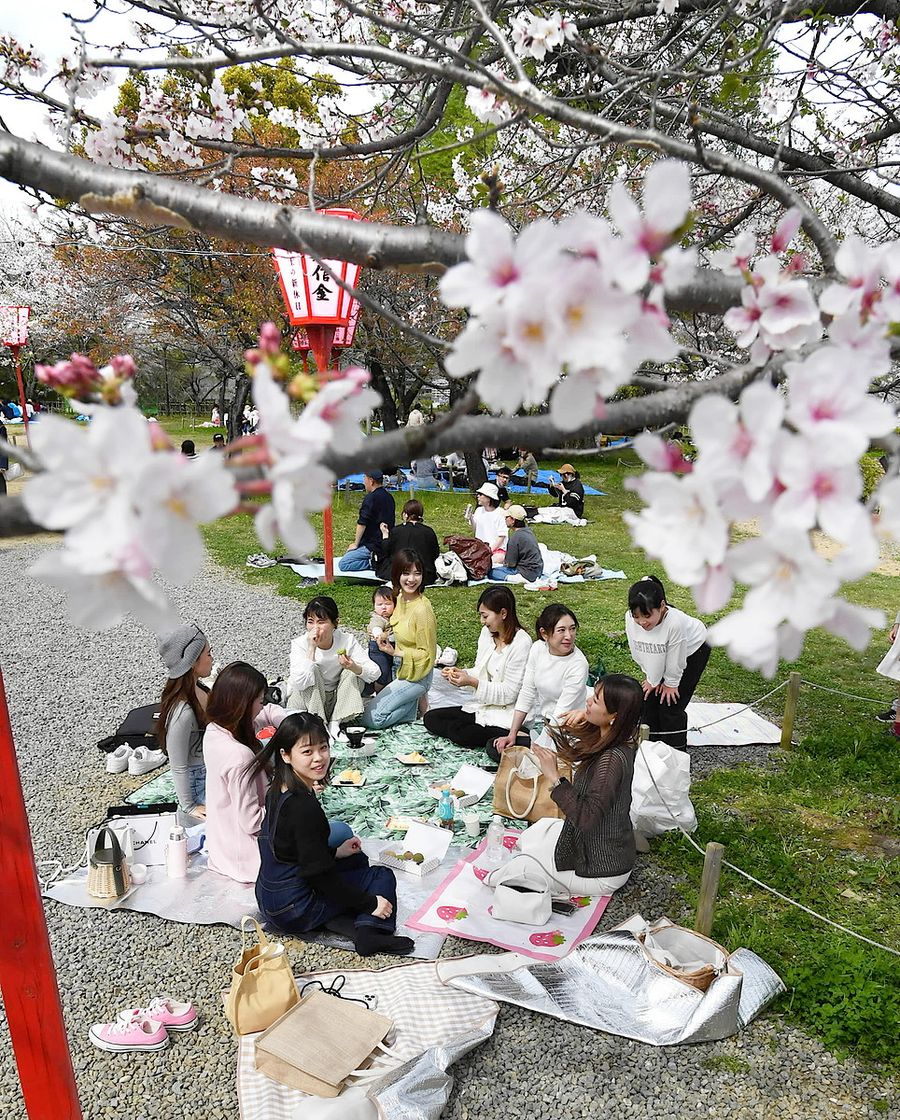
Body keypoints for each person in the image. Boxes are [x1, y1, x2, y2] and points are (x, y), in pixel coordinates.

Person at [252, 712, 414, 956]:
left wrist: (335, 852)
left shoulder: (277, 788)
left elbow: (290, 848)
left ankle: (335, 920)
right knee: (381, 875)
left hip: (268, 899)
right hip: (294, 908)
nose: (319, 758)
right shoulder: (304, 806)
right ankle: (371, 934)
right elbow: (320, 876)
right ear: (286, 755)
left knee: (355, 859)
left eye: (323, 748)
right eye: (307, 752)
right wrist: (371, 903)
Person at [521, 674, 644, 896]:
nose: (588, 701)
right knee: (536, 833)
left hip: (602, 870)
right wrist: (587, 716)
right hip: (604, 848)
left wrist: (554, 777)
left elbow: (586, 818)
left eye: (596, 700)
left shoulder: (611, 760)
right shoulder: (616, 736)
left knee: (519, 868)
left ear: (614, 717)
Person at [203, 662, 287, 883]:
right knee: (333, 836)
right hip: (247, 858)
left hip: (220, 845)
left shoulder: (214, 730)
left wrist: (287, 723)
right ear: (243, 704)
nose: (262, 706)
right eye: (259, 701)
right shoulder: (239, 755)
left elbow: (267, 713)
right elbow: (252, 822)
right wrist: (286, 794)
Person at [424, 586, 533, 750]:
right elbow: (479, 670)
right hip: (483, 706)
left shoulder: (521, 643)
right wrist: (461, 674)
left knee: (460, 732)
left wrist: (473, 682)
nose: (482, 621)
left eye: (485, 616)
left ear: (503, 614)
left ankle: (517, 733)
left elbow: (510, 693)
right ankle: (487, 732)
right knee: (431, 718)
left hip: (506, 711)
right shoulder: (486, 634)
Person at [491, 603, 589, 760]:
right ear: (544, 634)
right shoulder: (538, 649)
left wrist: (538, 750)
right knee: (496, 746)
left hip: (569, 730)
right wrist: (512, 734)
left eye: (572, 629)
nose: (568, 636)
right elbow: (527, 691)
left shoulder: (578, 664)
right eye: (561, 630)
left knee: (535, 761)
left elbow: (561, 714)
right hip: (547, 724)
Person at [625, 575, 710, 751]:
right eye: (636, 616)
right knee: (649, 699)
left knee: (670, 704)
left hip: (693, 650)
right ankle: (650, 747)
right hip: (666, 649)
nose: (641, 622)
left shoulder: (675, 623)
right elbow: (640, 649)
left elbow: (676, 659)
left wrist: (671, 683)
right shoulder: (630, 619)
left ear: (662, 606)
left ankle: (675, 752)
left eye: (647, 615)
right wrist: (652, 678)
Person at [360, 550, 436, 729]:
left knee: (372, 719)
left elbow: (427, 655)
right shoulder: (401, 598)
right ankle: (411, 709)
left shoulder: (422, 610)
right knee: (370, 712)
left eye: (417, 573)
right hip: (401, 670)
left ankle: (413, 707)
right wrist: (383, 635)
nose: (412, 579)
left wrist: (396, 652)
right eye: (406, 573)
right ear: (397, 575)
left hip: (418, 676)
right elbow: (393, 623)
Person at [287, 595, 379, 729]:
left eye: (321, 622)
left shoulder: (346, 640)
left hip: (336, 702)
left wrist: (354, 667)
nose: (315, 628)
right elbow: (300, 683)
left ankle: (335, 723)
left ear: (335, 623)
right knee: (312, 670)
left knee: (353, 673)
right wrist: (311, 649)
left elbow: (375, 672)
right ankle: (319, 725)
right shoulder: (300, 644)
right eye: (311, 621)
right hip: (307, 704)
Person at [155, 623, 213, 825]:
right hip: (199, 782)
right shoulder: (183, 712)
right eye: (208, 653)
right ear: (193, 661)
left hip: (212, 769)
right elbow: (178, 764)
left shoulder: (201, 690)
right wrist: (189, 806)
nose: (212, 658)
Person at [339, 471, 396, 572]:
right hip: (386, 541)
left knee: (344, 564)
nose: (363, 481)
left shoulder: (370, 498)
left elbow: (362, 523)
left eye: (364, 478)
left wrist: (355, 544)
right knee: (350, 555)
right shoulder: (389, 497)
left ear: (371, 481)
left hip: (372, 544)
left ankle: (374, 563)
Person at [375, 498, 440, 586]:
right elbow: (435, 554)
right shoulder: (429, 531)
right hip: (426, 576)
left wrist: (385, 535)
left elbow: (385, 551)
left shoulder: (396, 531)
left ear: (405, 515)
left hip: (398, 573)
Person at [489, 504, 543, 583]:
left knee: (492, 572)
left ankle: (516, 579)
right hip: (537, 570)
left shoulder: (516, 537)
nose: (505, 519)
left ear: (513, 520)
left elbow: (511, 563)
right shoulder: (528, 531)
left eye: (507, 517)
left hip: (526, 573)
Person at [465, 482, 508, 564]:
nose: (478, 496)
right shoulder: (478, 510)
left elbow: (501, 537)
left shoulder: (501, 513)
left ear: (489, 498)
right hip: (480, 549)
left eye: (481, 494)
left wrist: (489, 551)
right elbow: (475, 529)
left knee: (492, 561)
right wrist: (470, 517)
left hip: (497, 551)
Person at [367, 585, 396, 693]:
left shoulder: (395, 617)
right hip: (378, 649)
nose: (383, 607)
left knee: (390, 670)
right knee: (382, 671)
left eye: (388, 604)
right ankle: (377, 691)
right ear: (374, 606)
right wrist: (379, 634)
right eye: (379, 604)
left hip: (390, 648)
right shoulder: (378, 618)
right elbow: (376, 627)